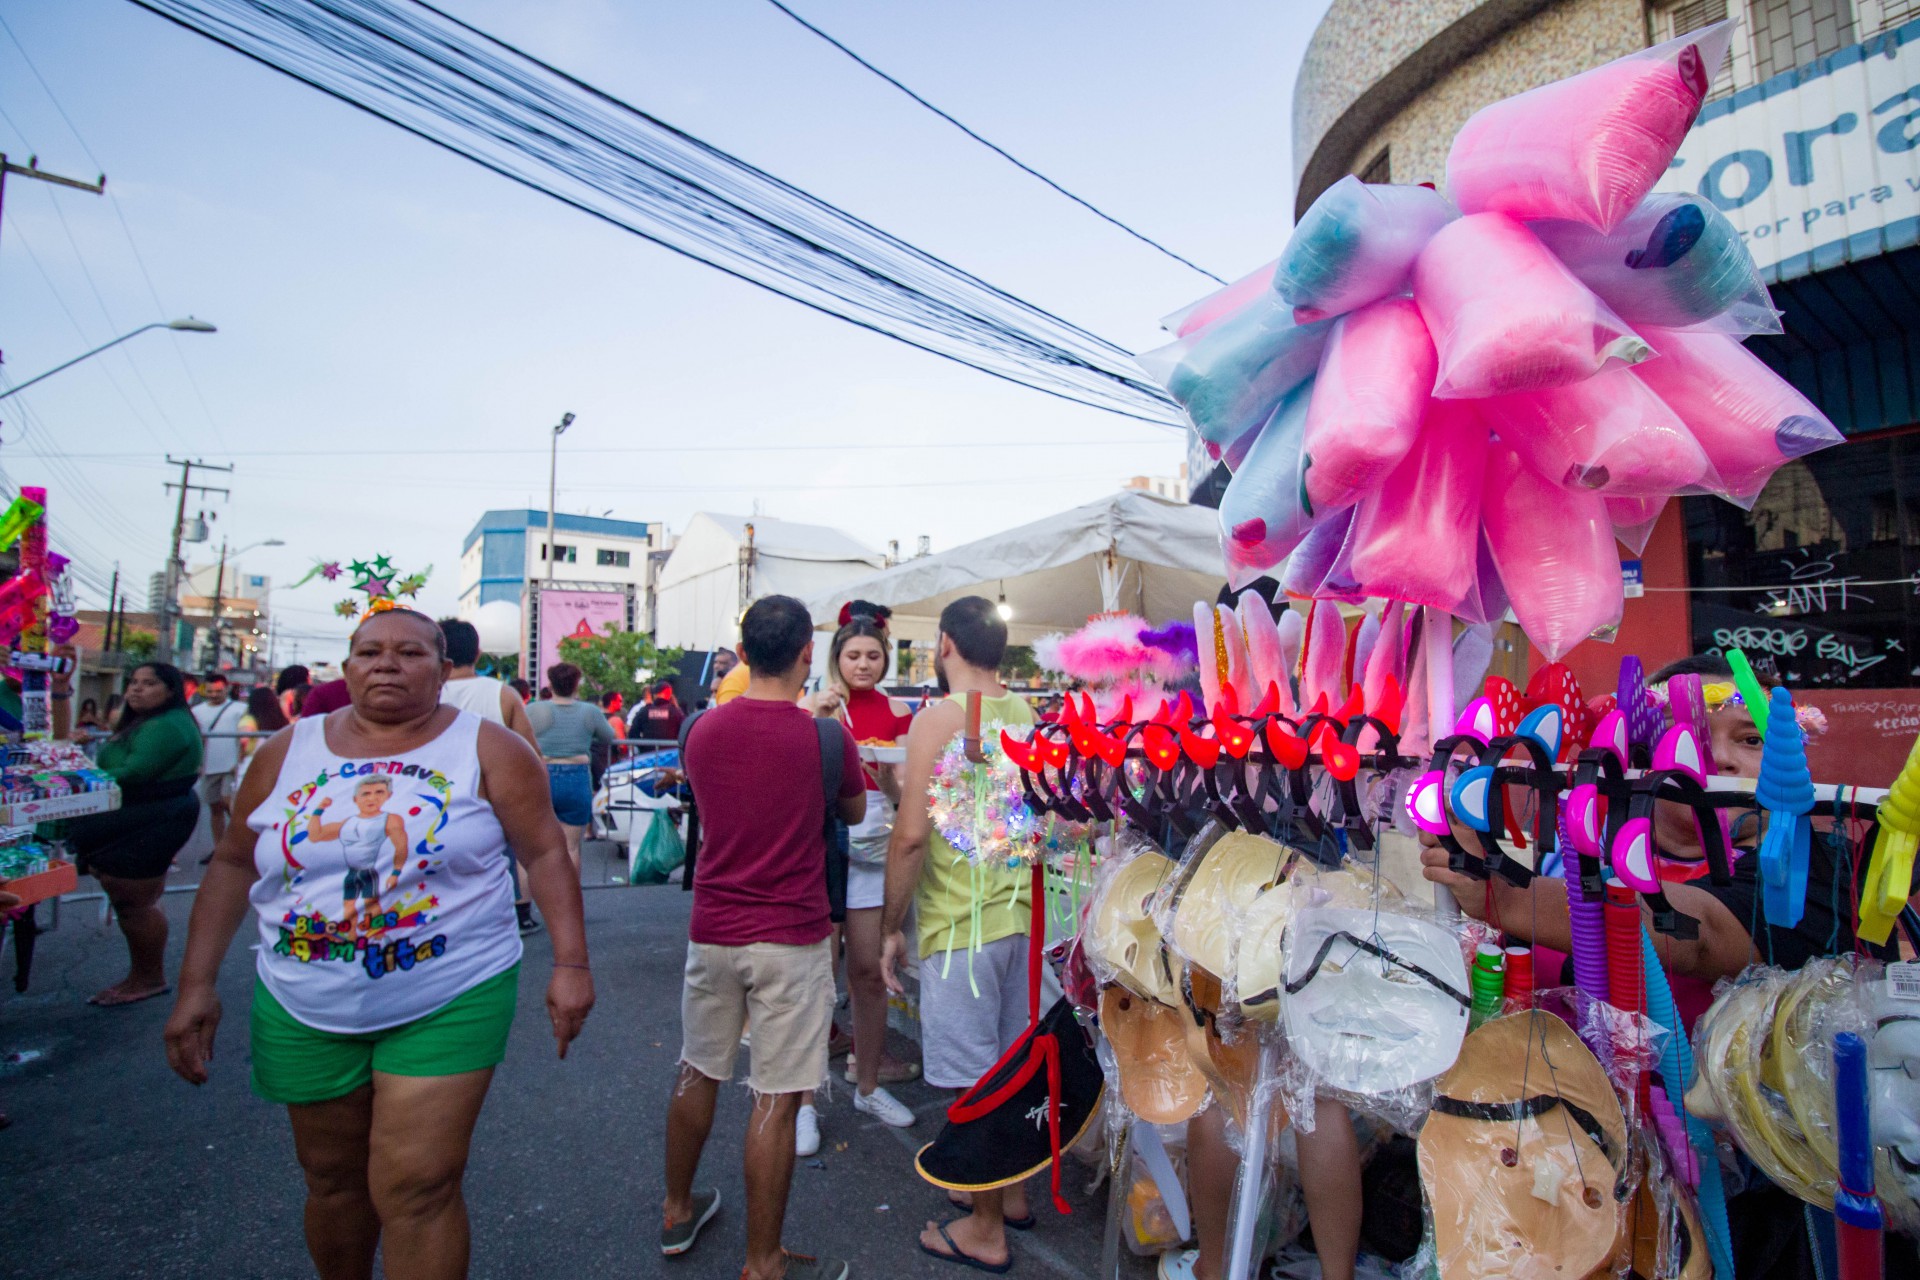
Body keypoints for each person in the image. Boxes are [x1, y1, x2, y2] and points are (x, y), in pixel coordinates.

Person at [1420, 652, 1916, 1280]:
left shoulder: (1817, 866)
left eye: (1751, 738)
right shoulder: (1568, 858)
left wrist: (1505, 895)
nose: (1723, 760)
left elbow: (1694, 932)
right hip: (1567, 1193)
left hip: (1756, 1214)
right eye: (1684, 739)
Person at [161, 606, 593, 1280]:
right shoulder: (287, 749)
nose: (387, 664)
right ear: (348, 665)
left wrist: (571, 963)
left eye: (411, 653)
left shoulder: (490, 748)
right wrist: (195, 985)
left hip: (452, 991)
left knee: (418, 1185)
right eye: (369, 651)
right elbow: (234, 862)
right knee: (332, 1181)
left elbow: (545, 855)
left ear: (445, 670)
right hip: (301, 996)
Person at [662, 595, 863, 1280]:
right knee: (775, 1096)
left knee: (698, 1068)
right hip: (793, 935)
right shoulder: (827, 738)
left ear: (743, 654)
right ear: (809, 653)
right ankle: (763, 1260)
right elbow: (854, 809)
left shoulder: (700, 731)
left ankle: (676, 1210)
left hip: (713, 928)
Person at [882, 596, 1042, 1271]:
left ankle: (983, 1227)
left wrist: (891, 927)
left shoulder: (937, 720)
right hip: (1020, 921)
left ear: (945, 644)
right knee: (1009, 1067)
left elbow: (912, 836)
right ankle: (1010, 1196)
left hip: (961, 927)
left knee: (973, 1082)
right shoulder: (1028, 712)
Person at [818, 616, 919, 1123]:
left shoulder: (899, 710)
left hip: (875, 840)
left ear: (885, 658)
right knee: (815, 971)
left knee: (867, 968)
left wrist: (888, 779)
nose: (863, 664)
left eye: (873, 656)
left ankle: (870, 1080)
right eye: (853, 655)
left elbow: (901, 793)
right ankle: (801, 1100)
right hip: (823, 841)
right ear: (836, 657)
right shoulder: (815, 706)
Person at [65, 662, 203, 1007]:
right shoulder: (144, 722)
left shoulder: (167, 726)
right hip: (140, 817)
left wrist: (78, 770)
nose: (137, 689)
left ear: (170, 690)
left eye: (148, 683)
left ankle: (148, 978)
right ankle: (143, 975)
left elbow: (134, 771)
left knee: (134, 902)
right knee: (131, 899)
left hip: (153, 818)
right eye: (133, 683)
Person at [438, 619, 544, 934]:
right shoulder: (504, 694)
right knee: (502, 861)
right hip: (493, 799)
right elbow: (530, 752)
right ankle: (513, 915)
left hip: (432, 800)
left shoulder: (425, 694)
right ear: (478, 652)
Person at [527, 662, 615, 870]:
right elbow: (608, 736)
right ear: (576, 685)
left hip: (541, 775)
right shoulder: (589, 712)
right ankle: (569, 900)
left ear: (551, 685)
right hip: (576, 777)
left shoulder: (533, 709)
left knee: (532, 849)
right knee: (571, 847)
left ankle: (524, 902)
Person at [193, 672, 245, 846]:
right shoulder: (196, 712)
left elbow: (246, 738)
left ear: (227, 689)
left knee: (230, 805)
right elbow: (197, 740)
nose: (214, 695)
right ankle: (219, 848)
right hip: (209, 767)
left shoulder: (240, 709)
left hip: (232, 766)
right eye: (210, 691)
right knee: (214, 808)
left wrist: (239, 761)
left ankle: (240, 845)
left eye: (218, 691)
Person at [234, 684, 290, 786]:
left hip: (252, 763)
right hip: (277, 764)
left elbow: (243, 740)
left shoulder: (249, 719)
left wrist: (239, 759)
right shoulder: (283, 721)